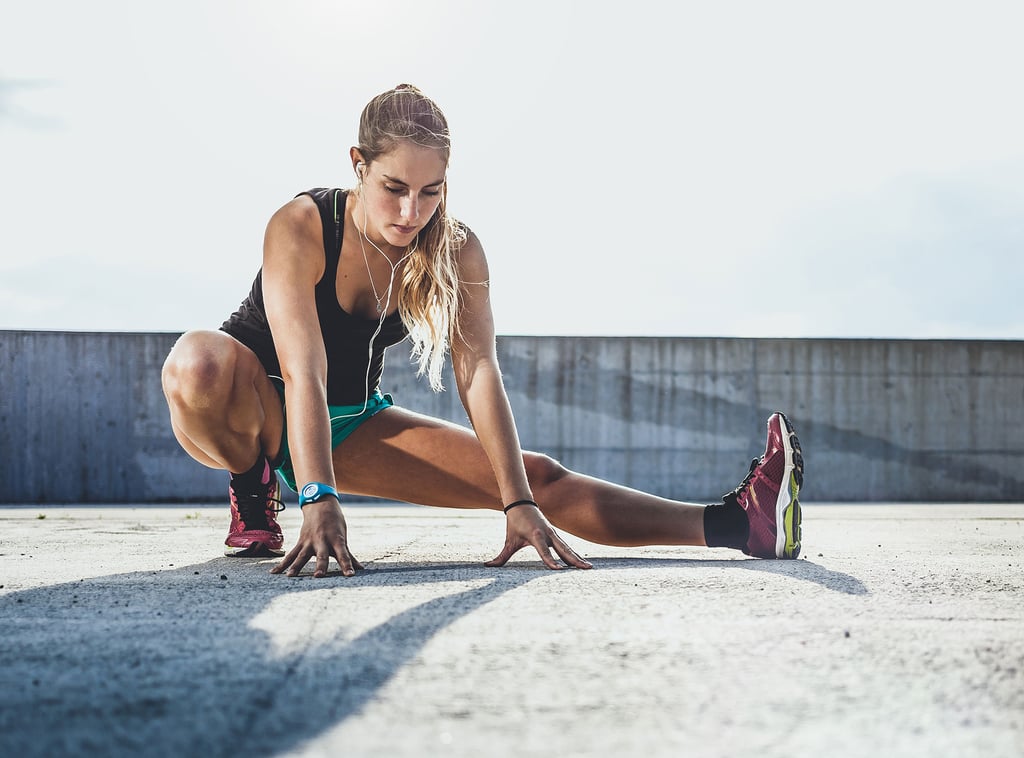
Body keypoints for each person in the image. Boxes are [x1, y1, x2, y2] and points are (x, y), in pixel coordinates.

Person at [161, 83, 803, 579]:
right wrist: (316, 494)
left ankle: (739, 523)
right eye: (393, 188)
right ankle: (252, 489)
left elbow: (478, 371)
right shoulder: (300, 225)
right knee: (199, 364)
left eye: (430, 191)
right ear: (357, 163)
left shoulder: (455, 249)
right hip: (256, 401)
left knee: (538, 480)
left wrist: (517, 501)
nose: (411, 212)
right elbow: (303, 369)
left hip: (348, 419)